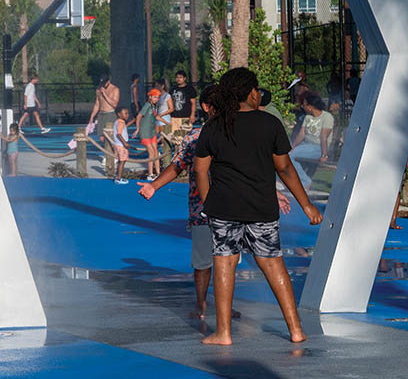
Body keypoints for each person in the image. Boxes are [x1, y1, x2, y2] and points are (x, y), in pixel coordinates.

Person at [193, 67, 322, 346]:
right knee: (274, 264)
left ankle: (224, 333)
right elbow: (285, 169)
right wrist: (307, 204)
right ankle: (296, 330)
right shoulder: (268, 124)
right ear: (252, 93)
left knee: (224, 263)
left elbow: (201, 170)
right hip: (261, 208)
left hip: (224, 208)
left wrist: (208, 202)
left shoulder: (214, 126)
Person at [140, 84, 292, 319]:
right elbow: (177, 165)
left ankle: (223, 307)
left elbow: (248, 169)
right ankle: (201, 304)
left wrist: (273, 191)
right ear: (207, 107)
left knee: (228, 261)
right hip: (205, 210)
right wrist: (154, 185)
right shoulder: (196, 136)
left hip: (232, 209)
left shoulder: (233, 132)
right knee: (204, 262)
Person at [289, 94, 335, 186]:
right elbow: (301, 134)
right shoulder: (307, 117)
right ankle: (281, 180)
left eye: (304, 105)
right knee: (281, 150)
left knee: (289, 155)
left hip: (318, 148)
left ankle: (305, 182)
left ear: (310, 107)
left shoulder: (327, 117)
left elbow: (323, 137)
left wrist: (324, 155)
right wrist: (292, 146)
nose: (303, 107)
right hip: (305, 145)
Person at [136, 88, 162, 181]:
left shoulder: (154, 106)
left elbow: (155, 117)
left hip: (152, 132)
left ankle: (158, 173)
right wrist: (138, 129)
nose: (156, 99)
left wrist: (166, 123)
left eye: (158, 97)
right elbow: (139, 116)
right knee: (151, 152)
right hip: (145, 132)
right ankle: (150, 174)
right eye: (155, 97)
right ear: (150, 97)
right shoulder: (147, 105)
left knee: (156, 152)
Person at [112, 107, 131, 185]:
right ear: (119, 114)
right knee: (122, 161)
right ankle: (119, 178)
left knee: (121, 161)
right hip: (121, 145)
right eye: (125, 113)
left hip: (118, 144)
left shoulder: (119, 122)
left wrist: (134, 120)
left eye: (128, 113)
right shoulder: (120, 122)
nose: (127, 115)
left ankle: (118, 176)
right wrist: (125, 143)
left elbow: (124, 127)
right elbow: (119, 134)